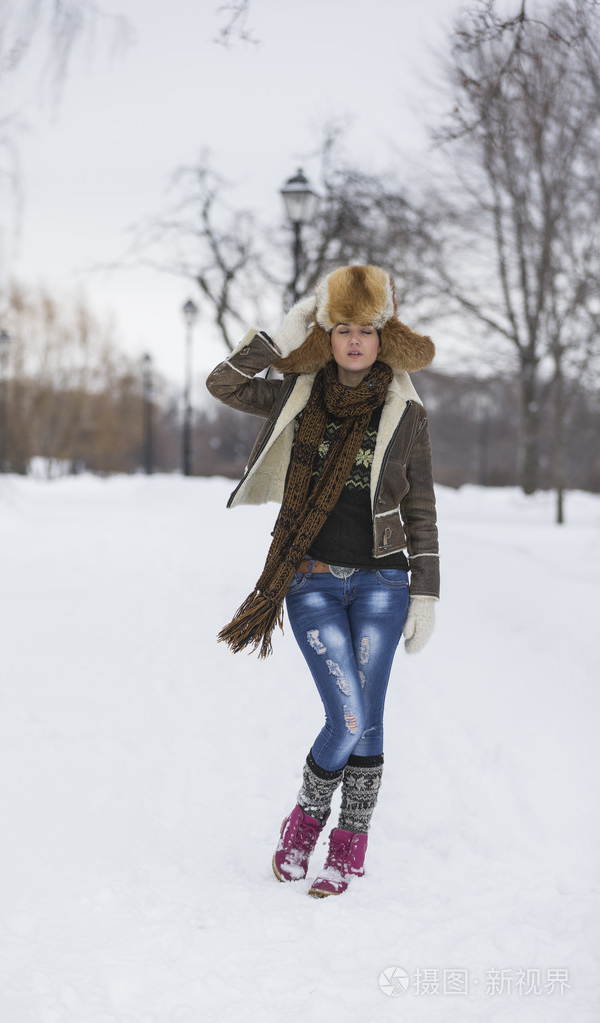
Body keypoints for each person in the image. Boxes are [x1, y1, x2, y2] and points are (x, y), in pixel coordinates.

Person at [206, 264, 439, 898]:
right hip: (309, 579)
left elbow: (421, 508)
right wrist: (279, 342)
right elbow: (223, 382)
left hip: (384, 585)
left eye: (367, 328)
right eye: (342, 328)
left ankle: (348, 847)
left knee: (370, 718)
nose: (356, 341)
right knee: (348, 714)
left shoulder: (406, 412)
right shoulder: (297, 394)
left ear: (383, 335)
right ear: (327, 334)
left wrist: (427, 591)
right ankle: (304, 826)